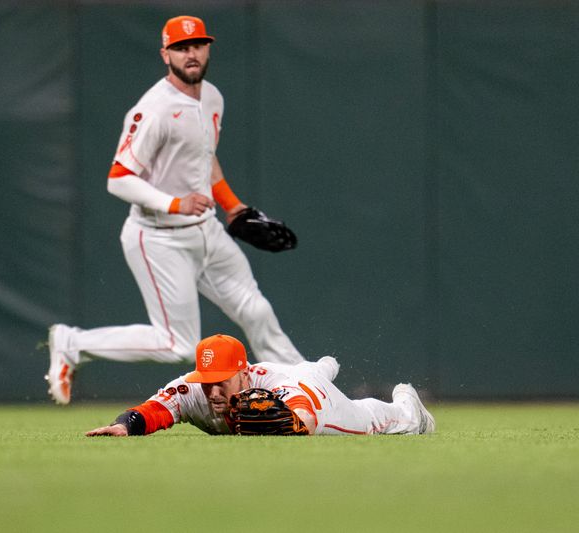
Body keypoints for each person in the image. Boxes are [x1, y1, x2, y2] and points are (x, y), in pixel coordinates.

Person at [46, 15, 303, 405]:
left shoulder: (213, 97)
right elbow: (118, 177)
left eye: (197, 44)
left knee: (257, 310)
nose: (191, 53)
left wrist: (233, 207)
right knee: (177, 344)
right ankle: (72, 343)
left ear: (208, 48)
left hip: (207, 231)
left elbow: (205, 160)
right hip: (158, 237)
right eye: (181, 47)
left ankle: (303, 387)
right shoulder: (154, 109)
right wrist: (174, 203)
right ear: (165, 54)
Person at [85, 334, 436, 437]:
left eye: (220, 383)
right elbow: (155, 410)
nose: (212, 392)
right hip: (300, 373)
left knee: (363, 420)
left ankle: (409, 410)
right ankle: (323, 363)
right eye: (205, 383)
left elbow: (303, 417)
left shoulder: (281, 384)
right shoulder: (195, 388)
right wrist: (124, 425)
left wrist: (296, 422)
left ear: (243, 373)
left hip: (310, 384)